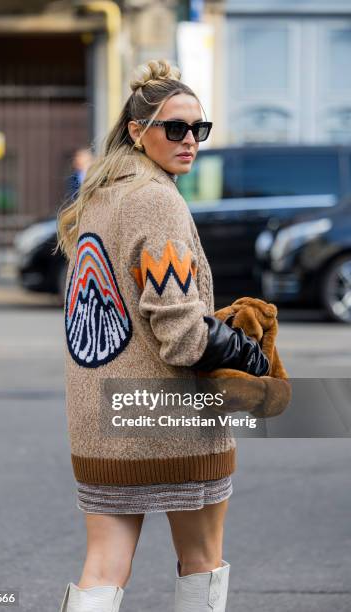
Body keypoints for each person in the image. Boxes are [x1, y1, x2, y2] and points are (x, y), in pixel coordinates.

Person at [56, 59, 269, 612]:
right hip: (168, 418)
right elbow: (179, 334)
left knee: (102, 567)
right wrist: (246, 353)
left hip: (100, 420)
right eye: (174, 128)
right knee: (202, 558)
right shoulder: (157, 200)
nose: (190, 141)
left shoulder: (100, 198)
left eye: (199, 129)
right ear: (136, 131)